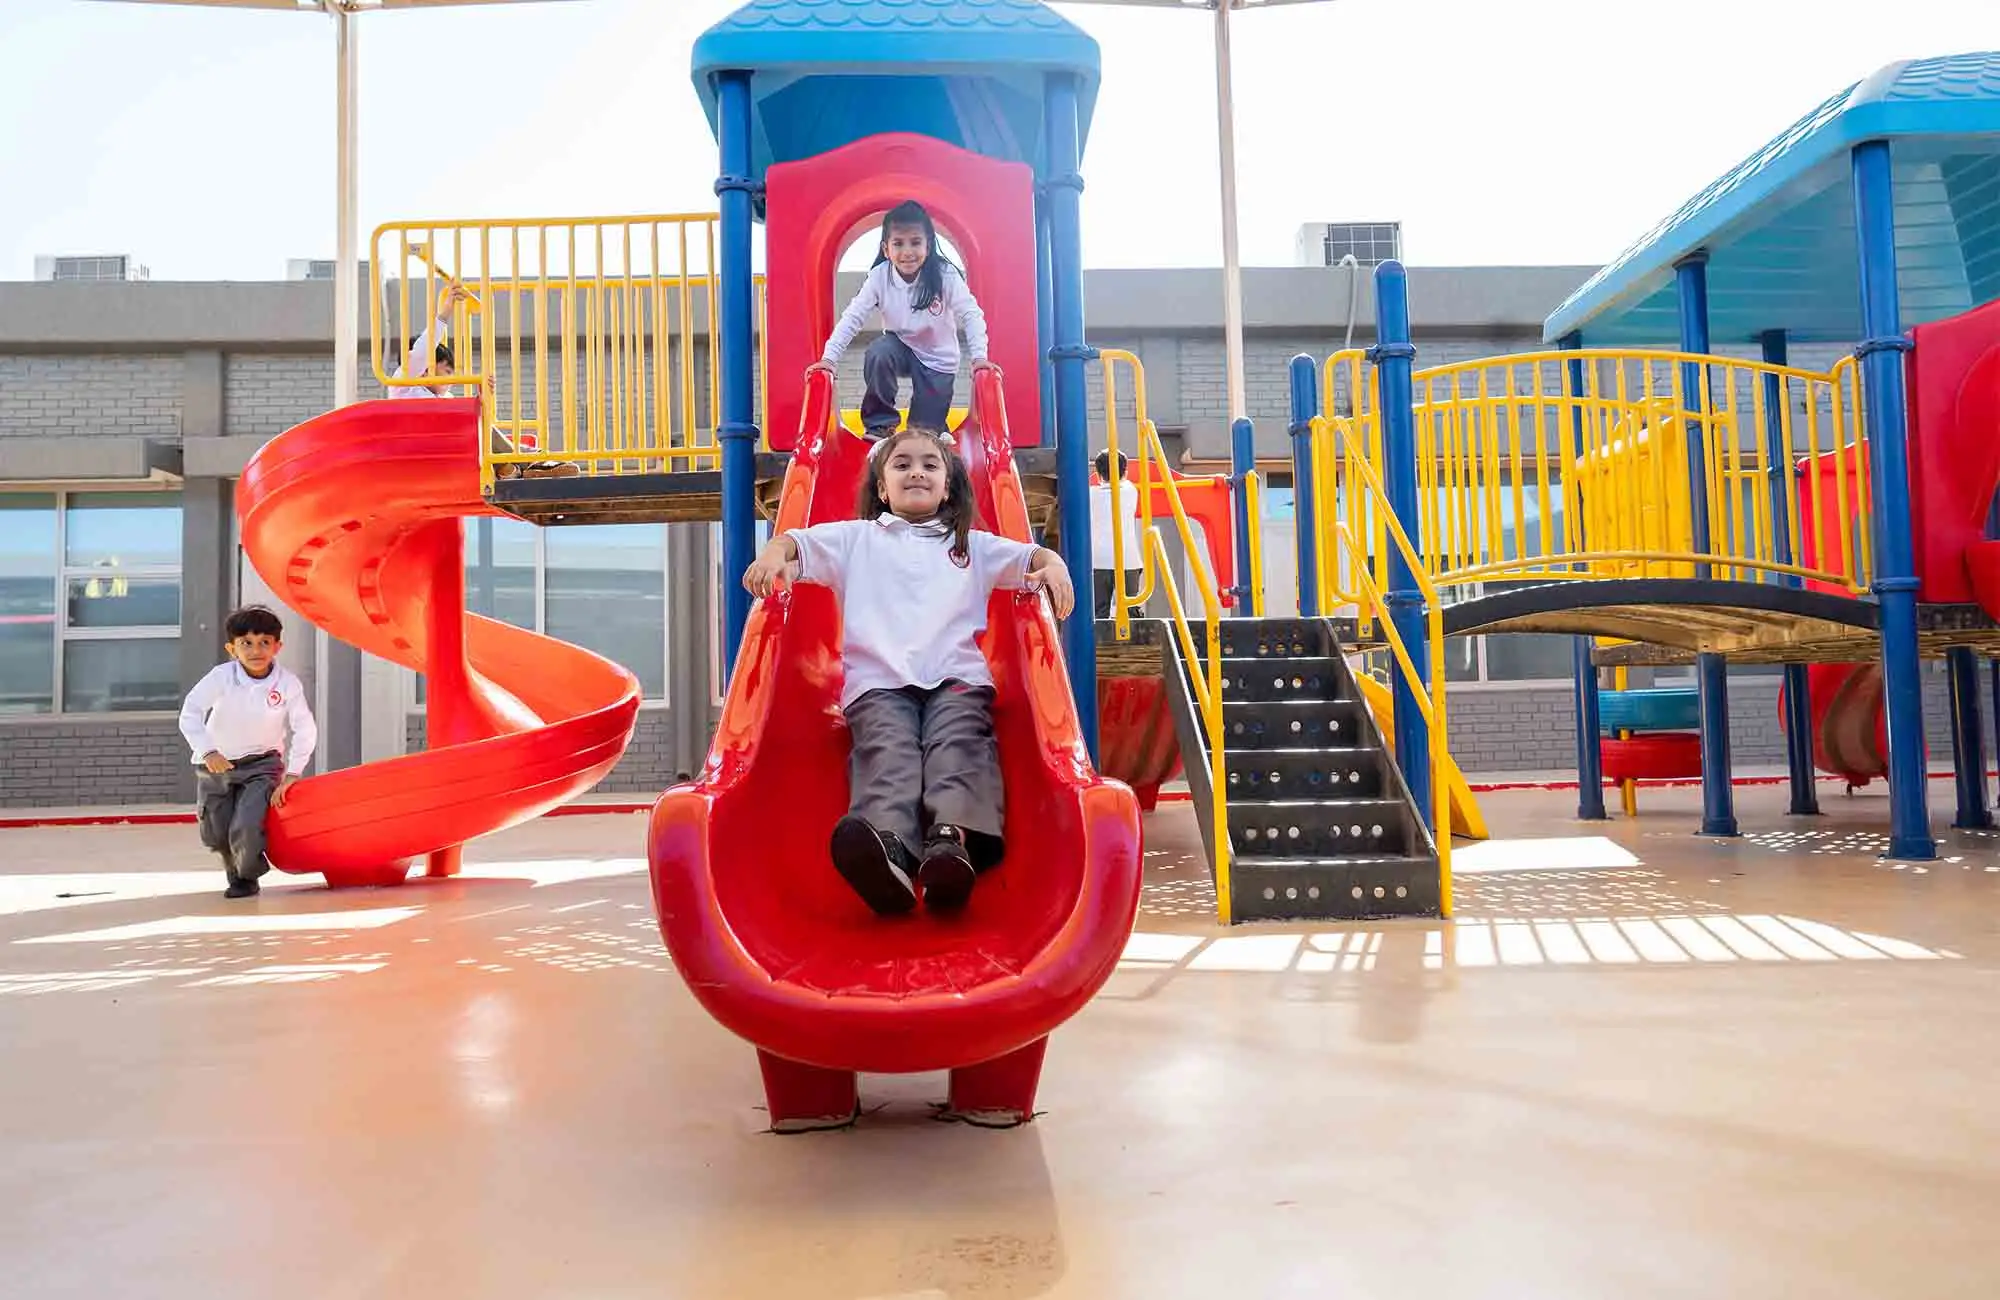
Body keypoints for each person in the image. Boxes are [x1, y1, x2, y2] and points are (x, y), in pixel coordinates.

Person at [742, 427, 1075, 915]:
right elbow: (798, 543)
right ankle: (890, 852)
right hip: (878, 686)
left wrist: (1055, 566)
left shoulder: (972, 546)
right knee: (888, 756)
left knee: (956, 749)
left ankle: (951, 844)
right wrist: (775, 554)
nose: (916, 471)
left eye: (929, 465)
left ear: (947, 485)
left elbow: (1029, 557)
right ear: (881, 486)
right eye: (901, 465)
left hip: (956, 681)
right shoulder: (857, 539)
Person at [809, 199, 994, 439]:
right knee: (878, 351)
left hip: (938, 357)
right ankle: (880, 425)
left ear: (928, 246)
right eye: (898, 244)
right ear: (886, 249)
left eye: (916, 242)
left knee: (924, 434)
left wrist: (980, 357)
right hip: (900, 347)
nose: (907, 252)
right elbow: (852, 318)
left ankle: (937, 428)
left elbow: (971, 313)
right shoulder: (879, 277)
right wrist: (829, 360)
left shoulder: (944, 275)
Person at [177, 606, 318, 899]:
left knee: (246, 824)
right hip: (217, 765)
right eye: (246, 643)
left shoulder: (287, 684)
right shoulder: (221, 677)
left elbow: (305, 728)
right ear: (232, 648)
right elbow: (190, 712)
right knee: (216, 832)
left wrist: (292, 773)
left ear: (277, 646)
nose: (256, 650)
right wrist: (208, 751)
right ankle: (236, 869)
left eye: (265, 642)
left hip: (262, 764)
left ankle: (246, 877)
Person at [391, 281, 577, 479]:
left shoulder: (443, 399)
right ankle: (526, 464)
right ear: (426, 369)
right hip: (421, 452)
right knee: (471, 421)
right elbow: (422, 350)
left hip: (448, 449)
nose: (451, 380)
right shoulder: (404, 383)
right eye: (446, 371)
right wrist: (445, 311)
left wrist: (480, 398)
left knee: (478, 421)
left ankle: (526, 461)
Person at [1089, 449, 1146, 619]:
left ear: (1098, 474)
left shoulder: (1090, 495)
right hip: (1128, 559)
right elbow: (1122, 481)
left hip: (1098, 559)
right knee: (1131, 610)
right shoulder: (1131, 491)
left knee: (1099, 611)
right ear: (1125, 472)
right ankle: (1134, 642)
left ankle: (1097, 644)